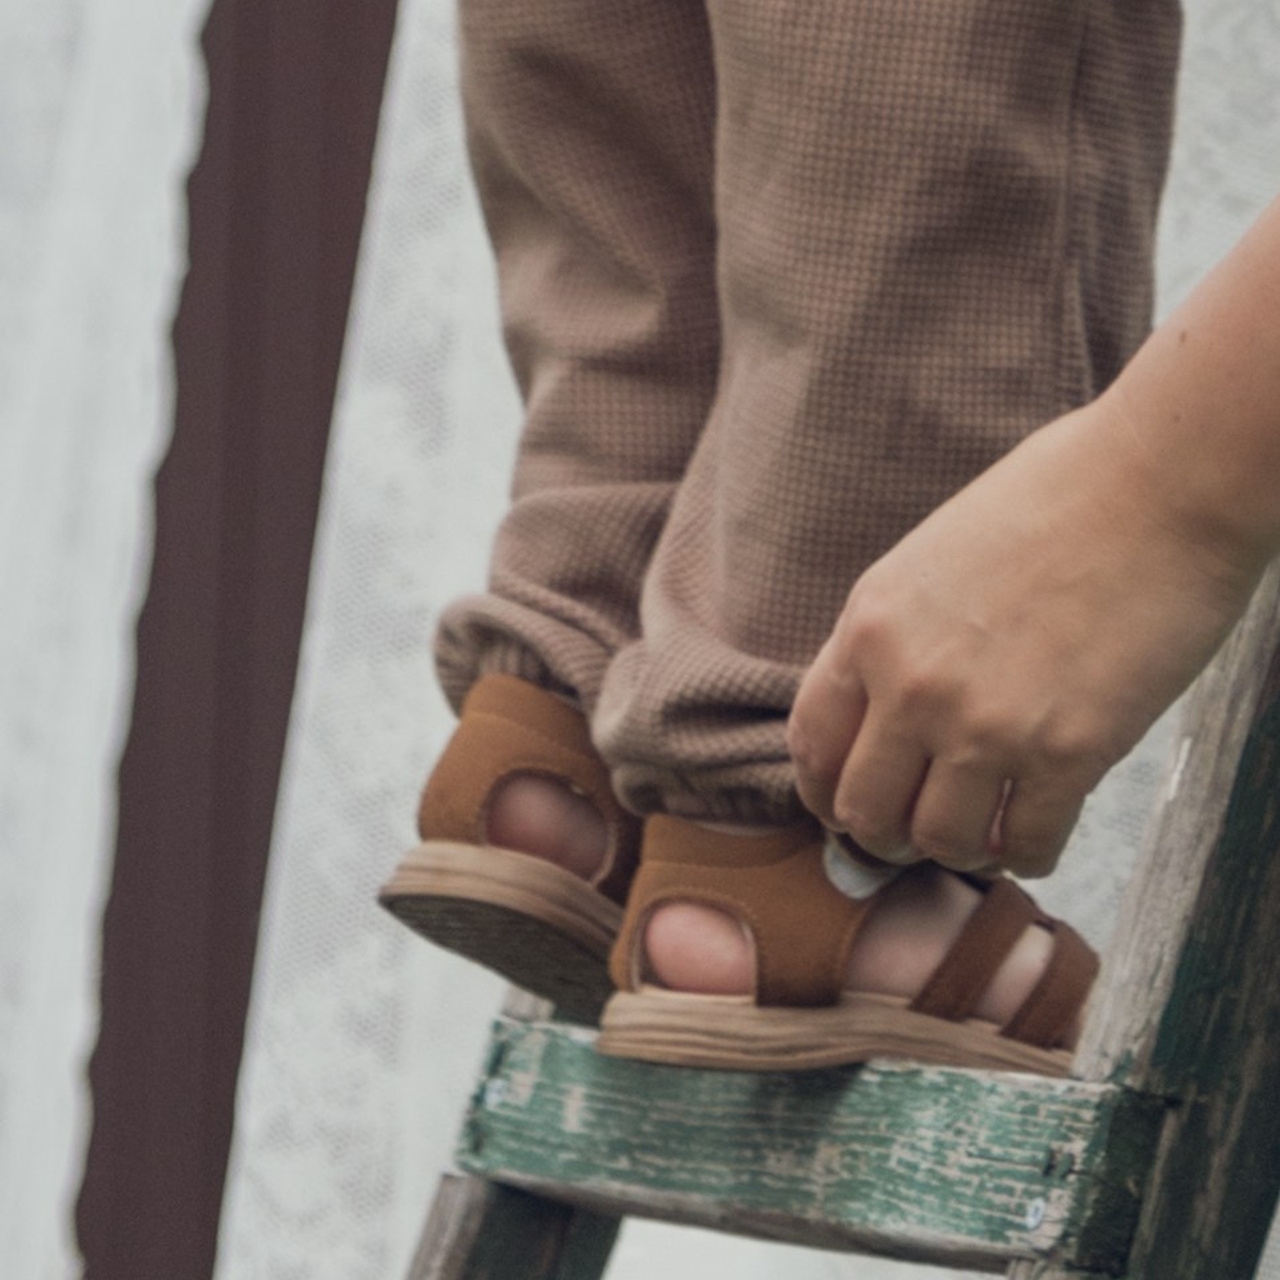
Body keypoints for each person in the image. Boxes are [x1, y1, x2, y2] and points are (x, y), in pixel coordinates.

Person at [380, 0, 1185, 1074]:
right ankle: (798, 840)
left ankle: (556, 715)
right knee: (897, 47)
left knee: (621, 72)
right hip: (808, 816)